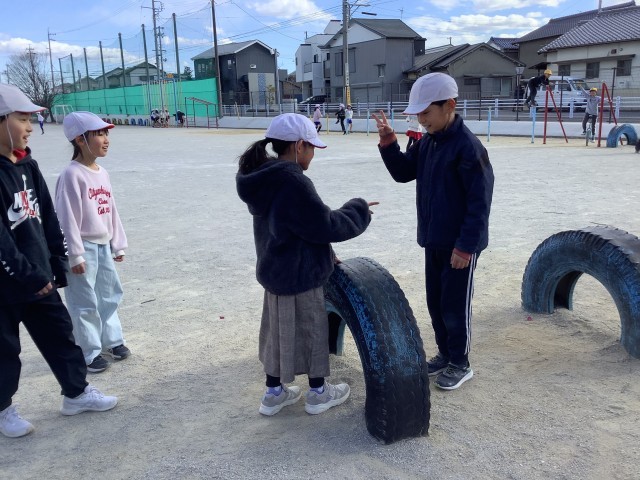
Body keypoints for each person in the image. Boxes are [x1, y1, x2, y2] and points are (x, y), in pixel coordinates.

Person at [236, 113, 377, 415]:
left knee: (276, 332)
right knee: (313, 329)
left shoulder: (263, 177)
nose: (313, 153)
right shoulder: (293, 181)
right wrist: (359, 209)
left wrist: (325, 251)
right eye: (312, 147)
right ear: (299, 146)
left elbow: (297, 225)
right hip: (300, 273)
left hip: (275, 272)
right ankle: (318, 393)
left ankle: (273, 393)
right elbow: (323, 225)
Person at [0, 84, 117, 438]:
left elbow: (48, 217)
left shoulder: (27, 165)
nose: (30, 127)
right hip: (8, 282)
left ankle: (76, 393)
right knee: (5, 348)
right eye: (22, 119)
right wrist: (28, 275)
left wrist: (57, 260)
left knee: (60, 335)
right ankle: (3, 409)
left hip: (39, 275)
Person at [372, 73, 494, 391]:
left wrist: (466, 247)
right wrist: (388, 142)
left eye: (426, 112)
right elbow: (403, 172)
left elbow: (479, 204)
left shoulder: (468, 148)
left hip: (459, 246)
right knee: (436, 302)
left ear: (449, 105)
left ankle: (460, 362)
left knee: (455, 304)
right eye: (418, 114)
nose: (422, 120)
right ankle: (445, 353)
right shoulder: (428, 142)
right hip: (434, 239)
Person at [55, 112, 130, 374]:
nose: (106, 139)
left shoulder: (102, 173)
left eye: (106, 133)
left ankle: (112, 340)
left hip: (103, 245)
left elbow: (111, 209)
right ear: (80, 140)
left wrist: (117, 242)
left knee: (109, 294)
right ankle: (89, 352)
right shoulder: (71, 175)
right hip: (83, 246)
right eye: (99, 134)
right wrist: (74, 254)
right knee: (84, 300)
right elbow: (66, 218)